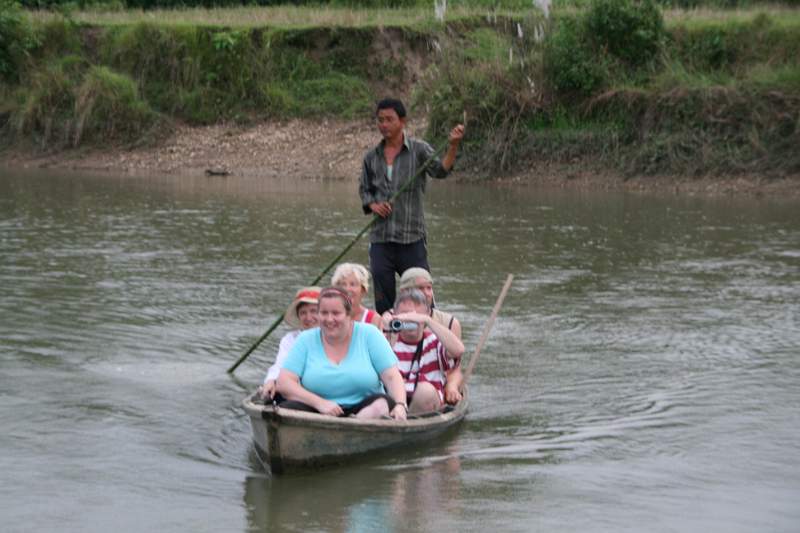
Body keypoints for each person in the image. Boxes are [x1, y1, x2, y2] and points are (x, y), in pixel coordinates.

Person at [359, 97, 465, 315]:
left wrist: (453, 145)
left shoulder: (419, 150)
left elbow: (442, 170)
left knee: (422, 296)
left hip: (412, 239)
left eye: (389, 119)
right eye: (380, 120)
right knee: (384, 304)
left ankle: (428, 338)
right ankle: (388, 341)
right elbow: (364, 190)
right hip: (381, 239)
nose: (384, 125)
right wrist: (374, 205)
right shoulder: (371, 158)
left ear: (403, 121)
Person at [276, 287, 408, 420]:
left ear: (348, 315)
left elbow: (392, 377)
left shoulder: (370, 334)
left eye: (336, 313)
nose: (329, 319)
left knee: (382, 404)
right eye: (324, 313)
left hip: (364, 410)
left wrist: (400, 405)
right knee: (285, 409)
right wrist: (320, 403)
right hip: (316, 410)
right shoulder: (305, 339)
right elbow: (284, 383)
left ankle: (352, 428)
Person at [383, 288, 464, 414]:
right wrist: (387, 328)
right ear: (396, 314)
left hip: (426, 403)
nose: (411, 320)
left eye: (416, 315)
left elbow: (458, 350)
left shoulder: (434, 342)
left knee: (424, 391)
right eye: (406, 314)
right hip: (394, 404)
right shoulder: (386, 342)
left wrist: (427, 321)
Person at [397, 267, 464, 404]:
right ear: (404, 292)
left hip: (432, 387)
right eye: (421, 288)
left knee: (425, 392)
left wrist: (452, 386)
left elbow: (455, 366)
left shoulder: (449, 322)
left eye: (429, 288)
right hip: (399, 388)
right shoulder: (391, 320)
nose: (427, 294)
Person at [258, 286, 320, 400]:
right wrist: (271, 380)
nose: (308, 317)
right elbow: (280, 364)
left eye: (313, 311)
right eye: (303, 313)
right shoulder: (290, 339)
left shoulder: (333, 337)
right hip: (297, 391)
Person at [332, 263, 382, 329]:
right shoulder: (328, 316)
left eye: (353, 284)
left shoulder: (374, 319)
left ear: (363, 290)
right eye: (343, 284)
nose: (348, 289)